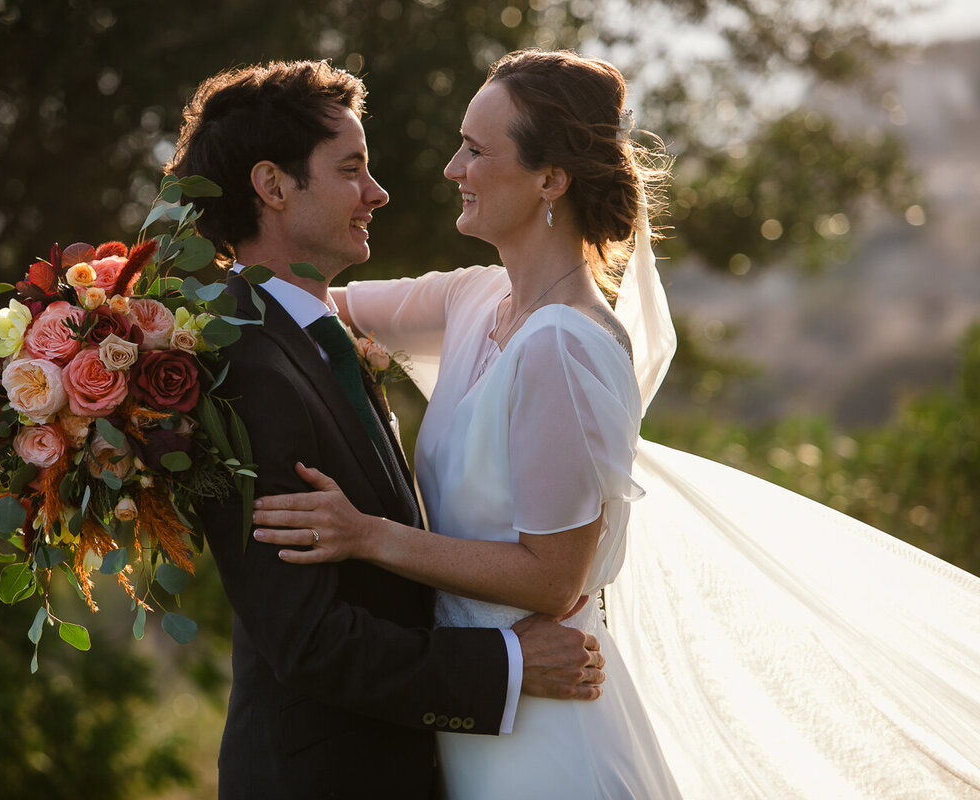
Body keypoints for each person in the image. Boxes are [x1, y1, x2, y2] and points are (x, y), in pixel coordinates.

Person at [254, 50, 980, 799]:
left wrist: (370, 535)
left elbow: (553, 576)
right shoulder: (473, 300)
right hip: (479, 721)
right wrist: (141, 321)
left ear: (550, 180)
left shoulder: (565, 346)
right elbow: (288, 302)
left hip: (547, 738)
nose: (449, 168)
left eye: (475, 149)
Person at [165, 60, 609, 800]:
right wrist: (507, 665)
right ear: (272, 187)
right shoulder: (239, 366)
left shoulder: (311, 330)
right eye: (351, 169)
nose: (379, 192)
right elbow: (308, 640)